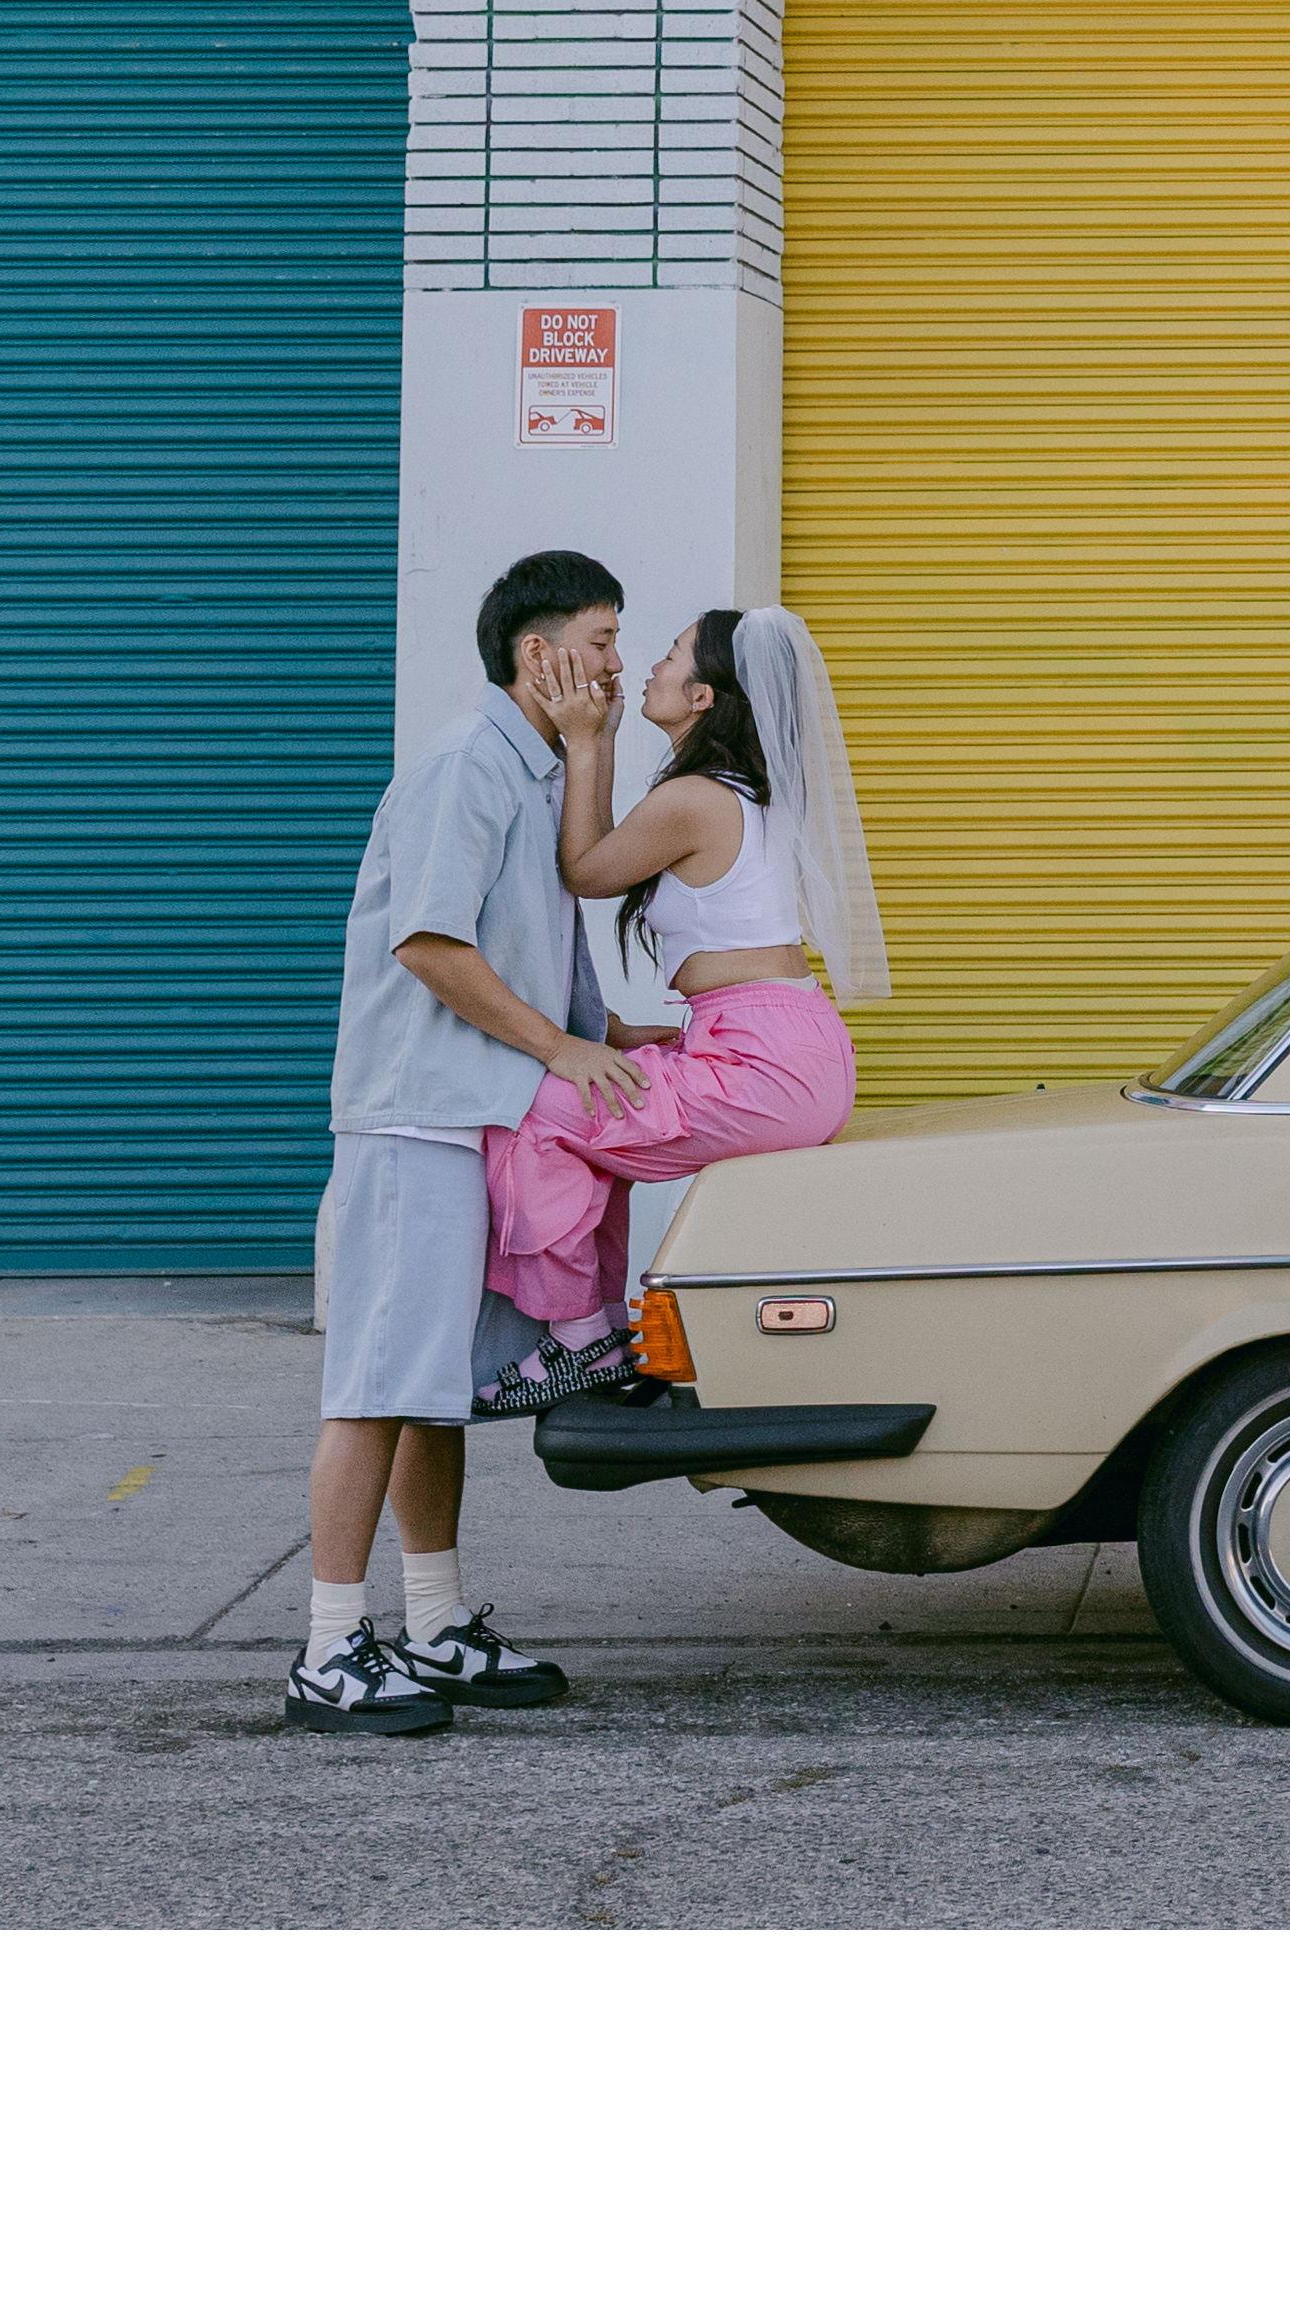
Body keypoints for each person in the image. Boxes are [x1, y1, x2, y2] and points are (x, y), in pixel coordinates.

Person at [285, 545, 649, 1740]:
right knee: (377, 1388)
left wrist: (614, 1034)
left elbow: (530, 945)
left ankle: (435, 1626)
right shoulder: (464, 767)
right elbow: (431, 944)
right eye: (600, 643)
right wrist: (559, 1051)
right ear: (537, 654)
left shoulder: (537, 771)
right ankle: (328, 1652)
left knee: (431, 1393)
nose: (616, 664)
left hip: (474, 1113)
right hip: (416, 1115)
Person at [468, 601, 889, 1413]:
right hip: (784, 1043)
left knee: (535, 1112)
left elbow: (586, 870)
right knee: (598, 1114)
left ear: (702, 696)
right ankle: (597, 1330)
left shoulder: (695, 797)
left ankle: (580, 1339)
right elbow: (605, 859)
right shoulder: (743, 792)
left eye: (669, 655)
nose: (646, 668)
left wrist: (586, 741)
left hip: (764, 1060)